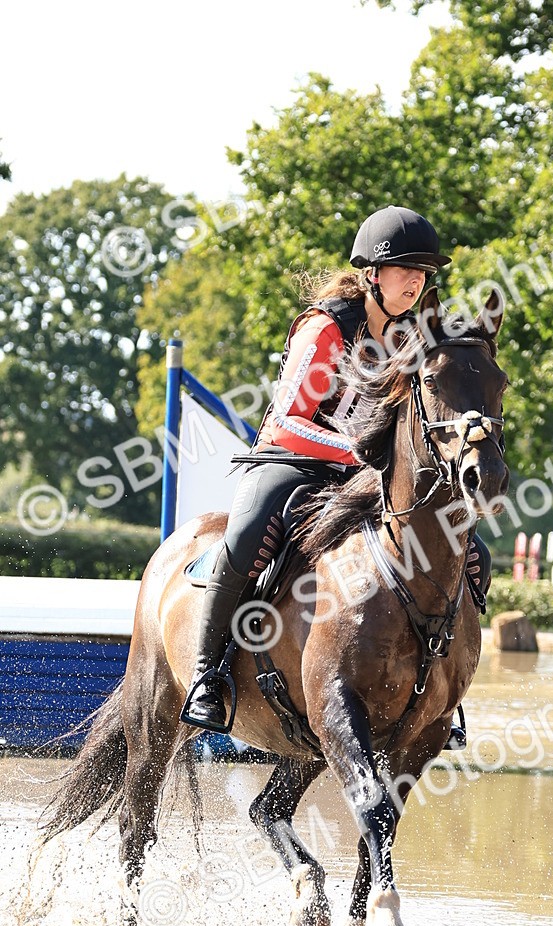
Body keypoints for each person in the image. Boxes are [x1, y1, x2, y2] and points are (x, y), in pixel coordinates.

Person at [181, 205, 453, 733]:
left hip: (362, 478)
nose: (417, 280)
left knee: (458, 545)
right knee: (247, 534)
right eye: (405, 268)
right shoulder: (326, 328)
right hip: (290, 462)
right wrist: (360, 453)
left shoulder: (410, 338)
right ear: (372, 274)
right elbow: (286, 424)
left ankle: (440, 692)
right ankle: (205, 676)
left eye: (424, 271)